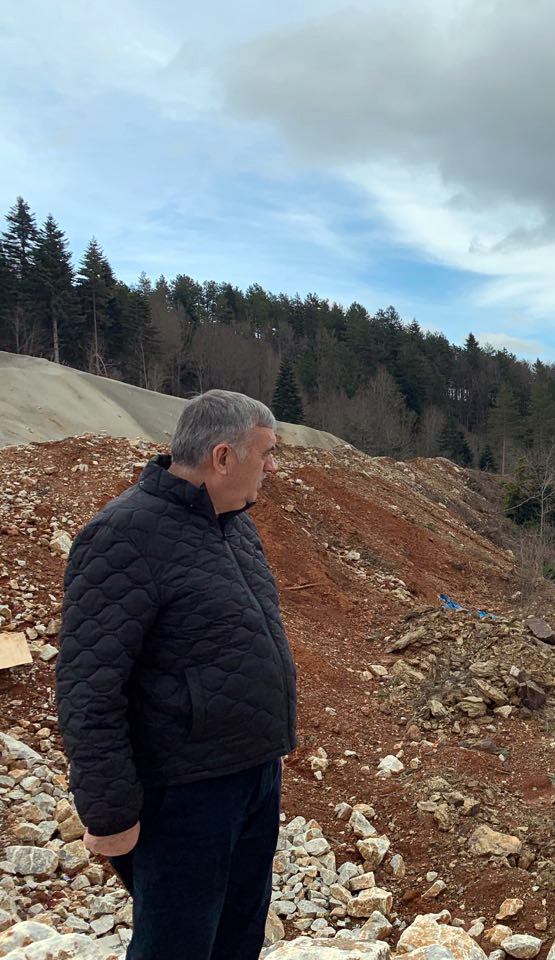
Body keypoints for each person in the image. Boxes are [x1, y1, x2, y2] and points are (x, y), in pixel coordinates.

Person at [56, 390, 297, 959]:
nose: (272, 466)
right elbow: (89, 689)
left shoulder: (234, 523)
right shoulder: (122, 536)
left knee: (239, 938)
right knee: (176, 947)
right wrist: (110, 813)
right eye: (265, 453)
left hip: (254, 775)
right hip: (184, 795)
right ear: (222, 457)